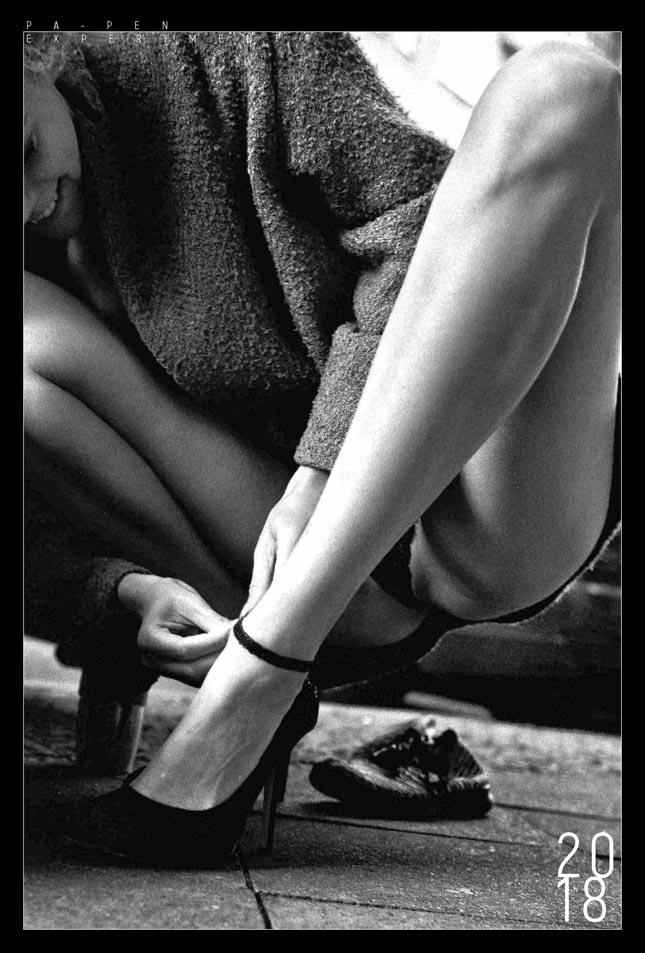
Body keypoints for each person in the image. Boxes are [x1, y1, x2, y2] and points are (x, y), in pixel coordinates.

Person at [24, 30, 620, 865]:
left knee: (566, 89)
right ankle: (259, 665)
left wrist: (321, 470)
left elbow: (422, 234)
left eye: (24, 150)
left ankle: (259, 676)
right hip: (266, 569)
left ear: (39, 52)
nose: (24, 205)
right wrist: (122, 590)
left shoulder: (237, 54)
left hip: (472, 516)